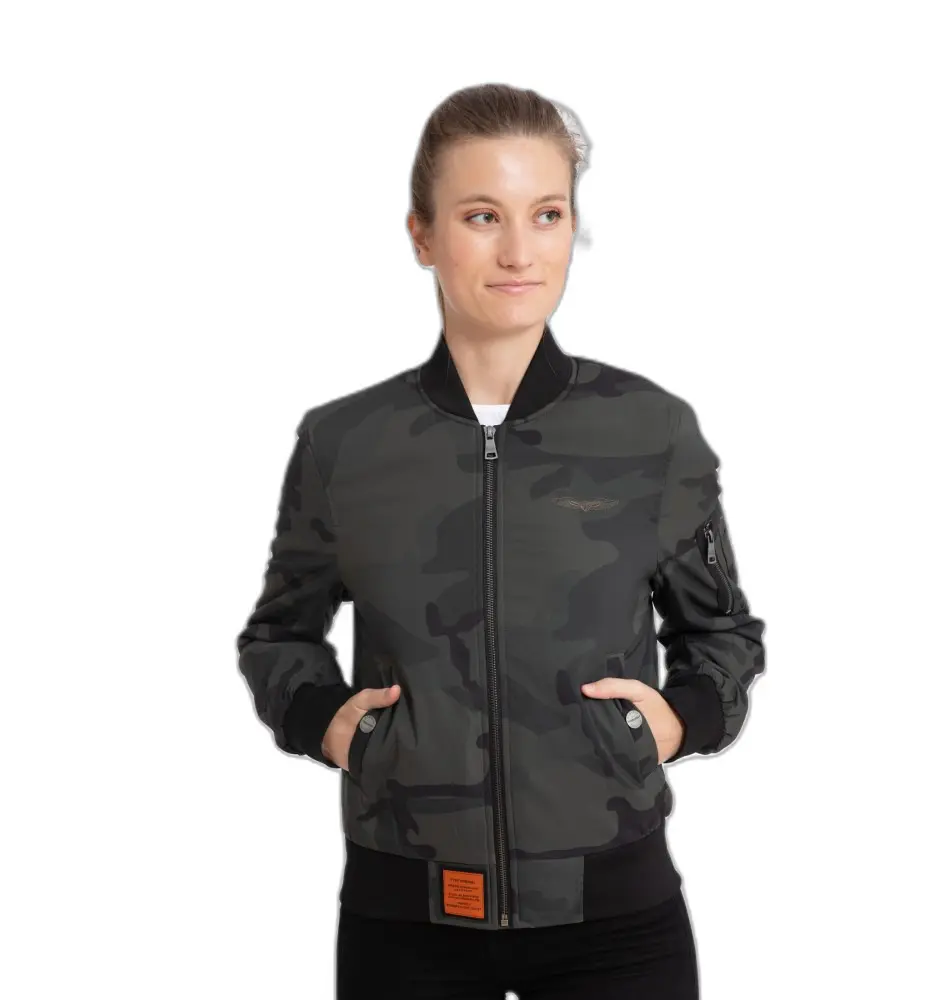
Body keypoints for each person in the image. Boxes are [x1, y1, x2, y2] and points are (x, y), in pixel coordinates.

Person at [236, 83, 767, 999]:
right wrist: (323, 721)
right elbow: (278, 633)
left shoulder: (651, 432)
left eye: (547, 214)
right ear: (422, 235)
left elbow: (721, 632)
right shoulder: (344, 445)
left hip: (616, 919)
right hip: (405, 923)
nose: (521, 251)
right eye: (482, 216)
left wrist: (681, 718)